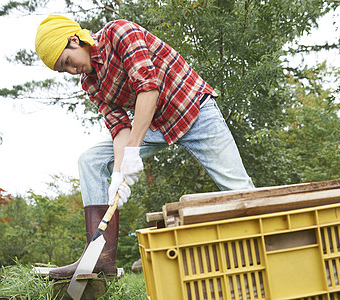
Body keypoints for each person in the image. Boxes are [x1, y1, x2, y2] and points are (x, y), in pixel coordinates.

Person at [35, 14, 254, 280]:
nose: (71, 71)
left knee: (238, 187)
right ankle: (100, 258)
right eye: (63, 70)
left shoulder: (119, 32)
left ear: (74, 40)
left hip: (193, 110)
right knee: (90, 160)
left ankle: (269, 244)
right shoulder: (90, 83)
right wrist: (118, 173)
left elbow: (148, 89)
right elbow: (119, 128)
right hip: (154, 125)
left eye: (67, 62)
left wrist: (132, 152)